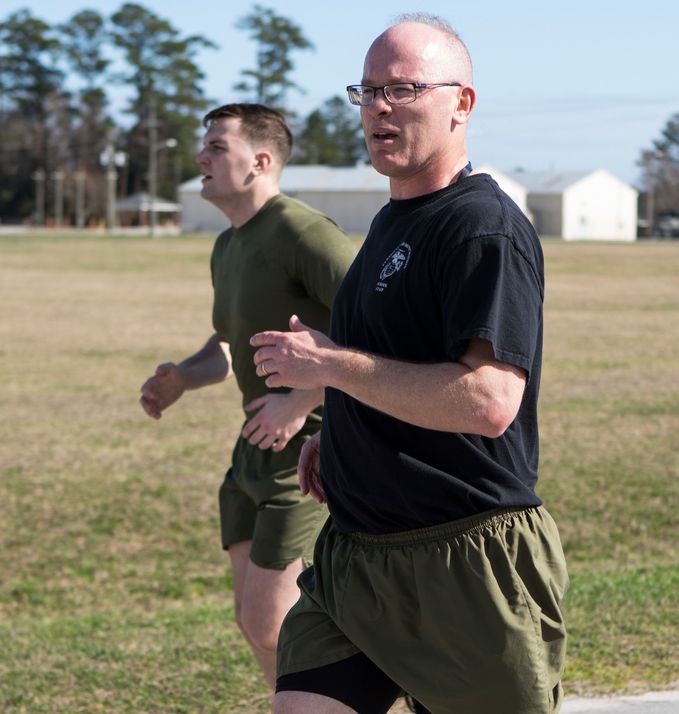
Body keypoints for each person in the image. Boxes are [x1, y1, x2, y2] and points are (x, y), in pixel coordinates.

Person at [249, 15, 569, 714]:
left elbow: (487, 402)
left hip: (464, 562)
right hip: (356, 558)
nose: (379, 109)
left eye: (402, 89)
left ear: (462, 103)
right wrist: (340, 431)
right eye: (366, 92)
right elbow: (393, 357)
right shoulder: (395, 218)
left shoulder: (483, 228)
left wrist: (331, 369)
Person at [139, 103, 356, 687]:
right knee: (254, 623)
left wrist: (305, 397)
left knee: (273, 619)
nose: (199, 156)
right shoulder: (228, 246)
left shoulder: (306, 233)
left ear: (259, 162)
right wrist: (184, 376)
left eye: (216, 146)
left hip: (314, 452)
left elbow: (379, 332)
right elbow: (233, 345)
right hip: (252, 450)